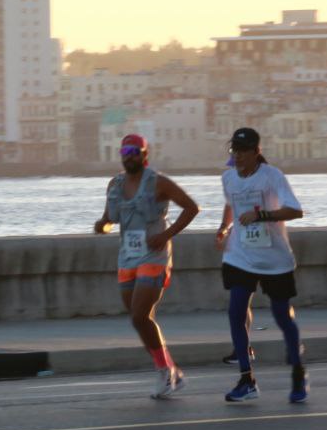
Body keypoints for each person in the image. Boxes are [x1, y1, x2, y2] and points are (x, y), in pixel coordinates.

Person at [94, 134, 200, 399]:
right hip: (127, 256)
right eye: (125, 151)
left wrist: (165, 235)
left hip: (154, 257)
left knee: (139, 315)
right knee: (140, 320)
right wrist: (102, 225)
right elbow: (110, 217)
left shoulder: (158, 182)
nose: (129, 156)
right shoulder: (114, 185)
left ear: (145, 155)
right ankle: (171, 371)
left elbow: (191, 208)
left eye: (135, 151)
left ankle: (165, 373)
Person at [215, 127, 308, 404]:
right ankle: (247, 379)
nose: (239, 156)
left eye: (244, 151)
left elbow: (295, 210)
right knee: (236, 310)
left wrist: (262, 216)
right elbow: (231, 203)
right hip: (240, 255)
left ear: (257, 151)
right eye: (235, 150)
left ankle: (298, 371)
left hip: (274, 258)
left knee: (282, 315)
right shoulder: (228, 177)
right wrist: (223, 227)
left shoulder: (272, 177)